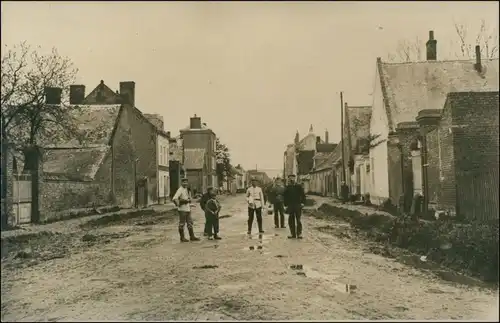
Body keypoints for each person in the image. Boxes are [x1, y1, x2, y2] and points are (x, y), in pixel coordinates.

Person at [172, 178, 200, 242]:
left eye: (186, 182)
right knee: (182, 224)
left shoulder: (186, 189)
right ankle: (182, 238)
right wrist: (180, 203)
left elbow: (188, 199)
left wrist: (190, 204)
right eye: (184, 182)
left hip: (187, 209)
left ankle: (192, 236)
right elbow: (175, 198)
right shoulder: (180, 190)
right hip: (182, 210)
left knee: (190, 223)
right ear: (181, 183)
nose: (185, 183)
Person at [284, 174, 306, 239]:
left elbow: (303, 195)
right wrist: (285, 205)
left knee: (298, 220)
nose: (291, 179)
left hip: (297, 205)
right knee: (291, 220)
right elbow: (285, 197)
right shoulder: (287, 187)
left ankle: (299, 234)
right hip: (290, 205)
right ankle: (292, 234)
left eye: (293, 178)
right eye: (290, 178)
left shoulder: (299, 186)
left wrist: (303, 203)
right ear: (289, 179)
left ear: (295, 178)